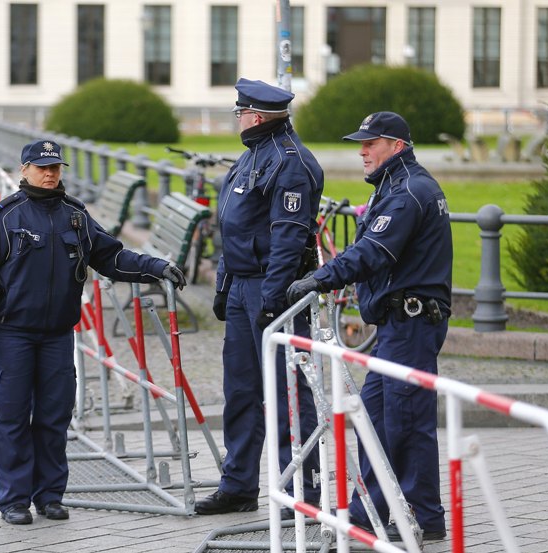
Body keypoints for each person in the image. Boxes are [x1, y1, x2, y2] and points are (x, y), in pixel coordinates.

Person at [0, 139, 186, 525]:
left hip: (56, 336)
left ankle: (49, 495)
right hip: (10, 333)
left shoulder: (75, 216)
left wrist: (155, 266)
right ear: (24, 170)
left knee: (53, 417)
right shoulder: (4, 216)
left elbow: (111, 256)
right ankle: (14, 500)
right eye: (41, 167)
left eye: (55, 167)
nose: (50, 174)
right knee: (11, 417)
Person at [287, 111, 452, 541]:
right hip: (398, 323)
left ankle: (422, 517)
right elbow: (369, 251)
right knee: (377, 417)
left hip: (411, 323)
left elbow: (371, 253)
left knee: (405, 418)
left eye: (371, 142)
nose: (362, 150)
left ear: (397, 146)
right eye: (361, 142)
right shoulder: (398, 187)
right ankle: (373, 511)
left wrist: (319, 279)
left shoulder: (407, 192)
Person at [194, 78, 323, 517]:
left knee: (289, 395)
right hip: (243, 287)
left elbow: (287, 239)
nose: (238, 119)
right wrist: (225, 285)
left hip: (272, 289)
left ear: (257, 116)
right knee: (242, 392)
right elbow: (235, 227)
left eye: (241, 113)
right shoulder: (253, 156)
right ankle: (239, 485)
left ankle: (300, 491)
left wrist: (271, 299)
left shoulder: (289, 162)